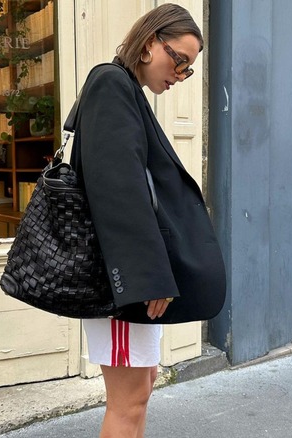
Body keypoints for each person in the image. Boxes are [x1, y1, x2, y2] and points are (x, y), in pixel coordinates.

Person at [69, 4, 227, 437]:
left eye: (188, 70)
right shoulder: (111, 84)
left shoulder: (127, 91)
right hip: (124, 283)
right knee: (128, 401)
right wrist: (146, 278)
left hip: (131, 278)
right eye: (179, 60)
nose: (180, 75)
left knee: (141, 388)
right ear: (150, 42)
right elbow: (117, 191)